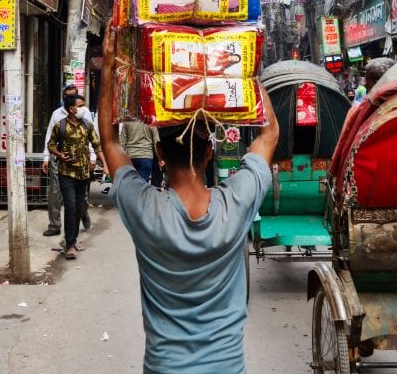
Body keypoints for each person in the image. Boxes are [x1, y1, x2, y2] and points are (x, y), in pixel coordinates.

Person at [98, 20, 280, 374]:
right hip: (227, 367)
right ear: (210, 151)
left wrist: (108, 65)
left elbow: (110, 143)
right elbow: (269, 132)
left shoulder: (145, 209)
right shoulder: (236, 203)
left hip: (165, 367)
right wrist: (245, 68)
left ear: (160, 155)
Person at [46, 94, 103, 260]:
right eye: (80, 105)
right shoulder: (60, 126)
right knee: (70, 207)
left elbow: (97, 145)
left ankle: (73, 239)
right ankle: (70, 245)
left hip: (83, 174)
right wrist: (60, 155)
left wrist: (105, 164)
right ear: (71, 108)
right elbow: (50, 145)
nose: (83, 108)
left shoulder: (87, 125)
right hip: (66, 173)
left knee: (78, 208)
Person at [42, 84, 93, 237]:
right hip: (60, 160)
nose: (70, 98)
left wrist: (93, 157)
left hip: (81, 162)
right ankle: (55, 225)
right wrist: (46, 157)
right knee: (55, 194)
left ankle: (83, 214)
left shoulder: (84, 114)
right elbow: (49, 138)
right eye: (67, 96)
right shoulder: (57, 115)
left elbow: (92, 138)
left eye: (73, 95)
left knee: (81, 197)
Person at [119, 121, 160, 186]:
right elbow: (156, 142)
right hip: (146, 156)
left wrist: (121, 159)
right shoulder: (151, 121)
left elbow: (122, 142)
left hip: (131, 156)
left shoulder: (127, 121)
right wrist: (160, 158)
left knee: (131, 184)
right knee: (142, 185)